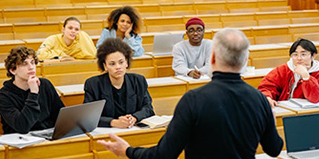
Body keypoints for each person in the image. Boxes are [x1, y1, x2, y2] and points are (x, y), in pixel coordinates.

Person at [98, 28, 283, 159]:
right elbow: (274, 149)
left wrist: (127, 151)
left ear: (212, 58)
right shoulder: (259, 99)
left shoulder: (193, 100)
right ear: (244, 61)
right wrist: (270, 123)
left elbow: (164, 154)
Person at [83, 38, 154, 128]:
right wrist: (113, 122)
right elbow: (88, 116)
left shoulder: (138, 81)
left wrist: (135, 117)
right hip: (106, 133)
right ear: (105, 66)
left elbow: (148, 108)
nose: (118, 67)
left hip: (132, 129)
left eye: (121, 62)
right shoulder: (93, 84)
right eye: (112, 64)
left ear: (127, 63)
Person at [0, 46, 64, 134]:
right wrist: (34, 93)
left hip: (45, 138)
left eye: (32, 63)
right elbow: (22, 126)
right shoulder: (3, 96)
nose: (31, 67)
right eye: (24, 64)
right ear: (13, 70)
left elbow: (60, 115)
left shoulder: (45, 85)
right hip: (19, 142)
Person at [258, 38, 319, 107]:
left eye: (303, 54)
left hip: (307, 111)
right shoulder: (283, 69)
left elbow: (315, 97)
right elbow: (266, 86)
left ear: (313, 56)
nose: (299, 58)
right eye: (295, 55)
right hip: (284, 108)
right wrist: (267, 97)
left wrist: (306, 77)